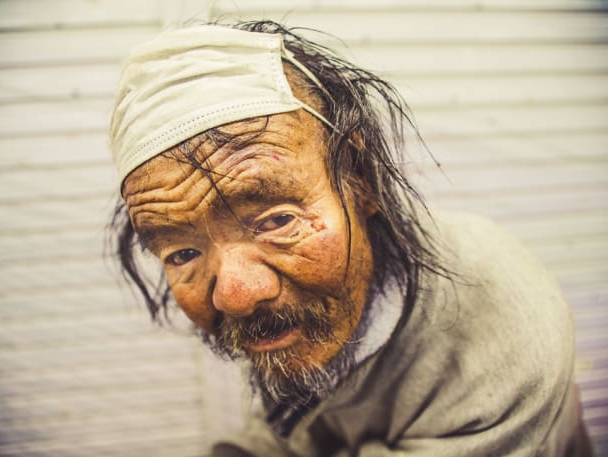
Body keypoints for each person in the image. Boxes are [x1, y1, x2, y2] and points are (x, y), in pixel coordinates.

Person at [108, 20, 593, 456]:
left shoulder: (500, 329)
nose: (235, 295)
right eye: (183, 252)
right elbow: (291, 428)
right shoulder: (297, 310)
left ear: (360, 179)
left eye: (277, 220)